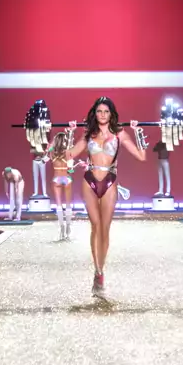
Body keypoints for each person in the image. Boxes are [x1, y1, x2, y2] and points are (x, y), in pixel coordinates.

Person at [66, 96, 147, 296]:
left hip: (110, 180)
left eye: (106, 111)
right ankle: (98, 272)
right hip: (90, 180)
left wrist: (138, 133)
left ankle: (101, 269)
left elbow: (141, 156)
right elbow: (69, 155)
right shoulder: (88, 134)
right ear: (95, 114)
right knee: (95, 226)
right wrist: (70, 133)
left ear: (111, 114)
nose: (102, 115)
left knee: (105, 227)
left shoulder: (120, 134)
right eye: (99, 111)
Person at [43, 131, 84, 240]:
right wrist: (76, 165)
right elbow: (70, 169)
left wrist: (50, 147)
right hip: (66, 178)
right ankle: (68, 227)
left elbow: (43, 160)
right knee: (68, 205)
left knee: (59, 205)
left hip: (56, 179)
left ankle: (61, 227)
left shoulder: (52, 152)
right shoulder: (68, 153)